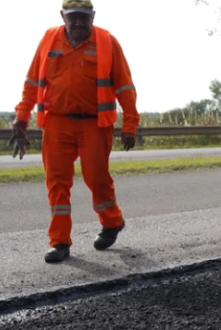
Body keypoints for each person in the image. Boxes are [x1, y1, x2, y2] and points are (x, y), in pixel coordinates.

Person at [11, 0, 138, 264]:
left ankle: (112, 222)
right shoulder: (48, 40)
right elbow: (33, 81)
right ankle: (59, 242)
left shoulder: (107, 42)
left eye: (84, 17)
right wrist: (22, 116)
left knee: (97, 178)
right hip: (58, 122)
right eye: (73, 17)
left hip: (95, 123)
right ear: (63, 17)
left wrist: (130, 124)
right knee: (57, 181)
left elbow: (125, 86)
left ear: (93, 16)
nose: (78, 22)